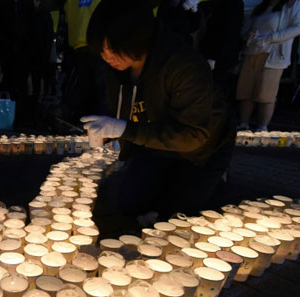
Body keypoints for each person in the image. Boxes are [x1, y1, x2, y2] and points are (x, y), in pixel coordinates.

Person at [82, 0, 234, 236]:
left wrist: (125, 129)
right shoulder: (119, 67)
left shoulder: (184, 65)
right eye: (101, 50)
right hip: (157, 144)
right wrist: (123, 147)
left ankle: (213, 182)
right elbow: (126, 113)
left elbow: (194, 135)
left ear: (135, 38)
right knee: (129, 202)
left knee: (179, 217)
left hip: (202, 150)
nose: (105, 56)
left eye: (111, 48)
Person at [236, 0, 300, 132]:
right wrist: (247, 35)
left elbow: (297, 27)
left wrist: (271, 37)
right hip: (252, 51)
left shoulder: (292, 5)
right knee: (246, 90)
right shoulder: (261, 7)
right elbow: (246, 27)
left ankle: (262, 127)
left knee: (266, 92)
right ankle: (243, 124)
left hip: (272, 54)